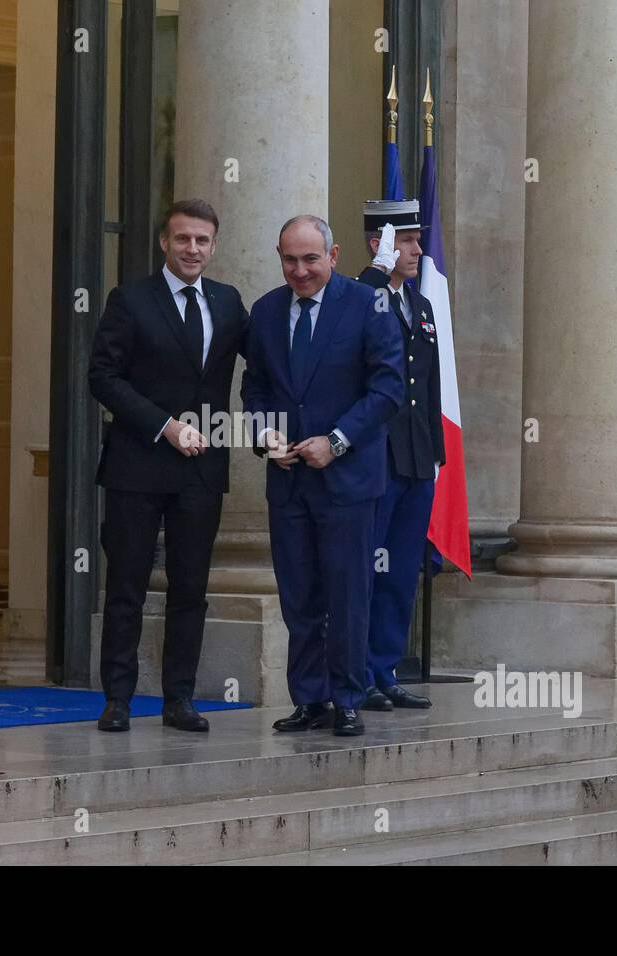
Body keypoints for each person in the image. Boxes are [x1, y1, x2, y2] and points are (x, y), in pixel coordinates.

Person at [88, 199, 248, 733]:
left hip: (201, 471)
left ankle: (179, 699)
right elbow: (103, 377)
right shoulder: (130, 300)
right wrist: (165, 426)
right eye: (183, 239)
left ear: (214, 245)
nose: (193, 249)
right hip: (138, 464)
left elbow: (265, 358)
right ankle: (118, 700)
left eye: (202, 240)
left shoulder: (227, 303)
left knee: (190, 589)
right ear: (164, 242)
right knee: (127, 587)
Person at [241, 215, 404, 736]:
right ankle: (309, 699)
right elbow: (256, 389)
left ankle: (348, 698)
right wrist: (265, 436)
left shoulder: (366, 304)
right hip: (288, 482)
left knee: (347, 594)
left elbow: (388, 389)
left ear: (332, 257)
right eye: (289, 259)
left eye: (311, 259)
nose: (300, 270)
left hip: (347, 480)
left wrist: (335, 442)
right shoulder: (265, 311)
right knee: (299, 596)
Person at [354, 200, 442, 711]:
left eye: (415, 240)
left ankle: (385, 668)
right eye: (406, 241)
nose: (416, 249)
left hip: (415, 458)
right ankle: (356, 671)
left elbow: (426, 385)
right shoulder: (360, 297)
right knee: (366, 567)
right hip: (375, 457)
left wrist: (436, 452)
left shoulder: (421, 305)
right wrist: (375, 273)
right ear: (380, 244)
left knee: (401, 569)